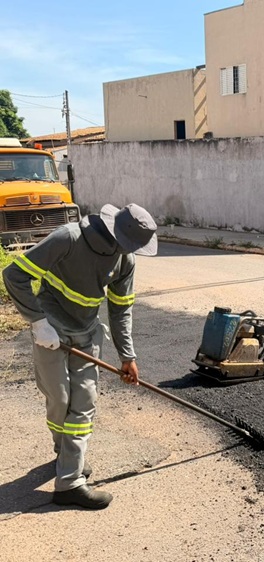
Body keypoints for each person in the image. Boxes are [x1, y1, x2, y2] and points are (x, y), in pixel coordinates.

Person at [2, 203, 158, 509]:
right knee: (59, 400)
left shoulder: (125, 260)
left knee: (84, 402)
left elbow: (120, 309)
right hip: (52, 334)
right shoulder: (68, 238)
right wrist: (38, 322)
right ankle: (66, 455)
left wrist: (127, 356)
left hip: (87, 335)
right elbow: (14, 275)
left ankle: (69, 481)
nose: (130, 252)